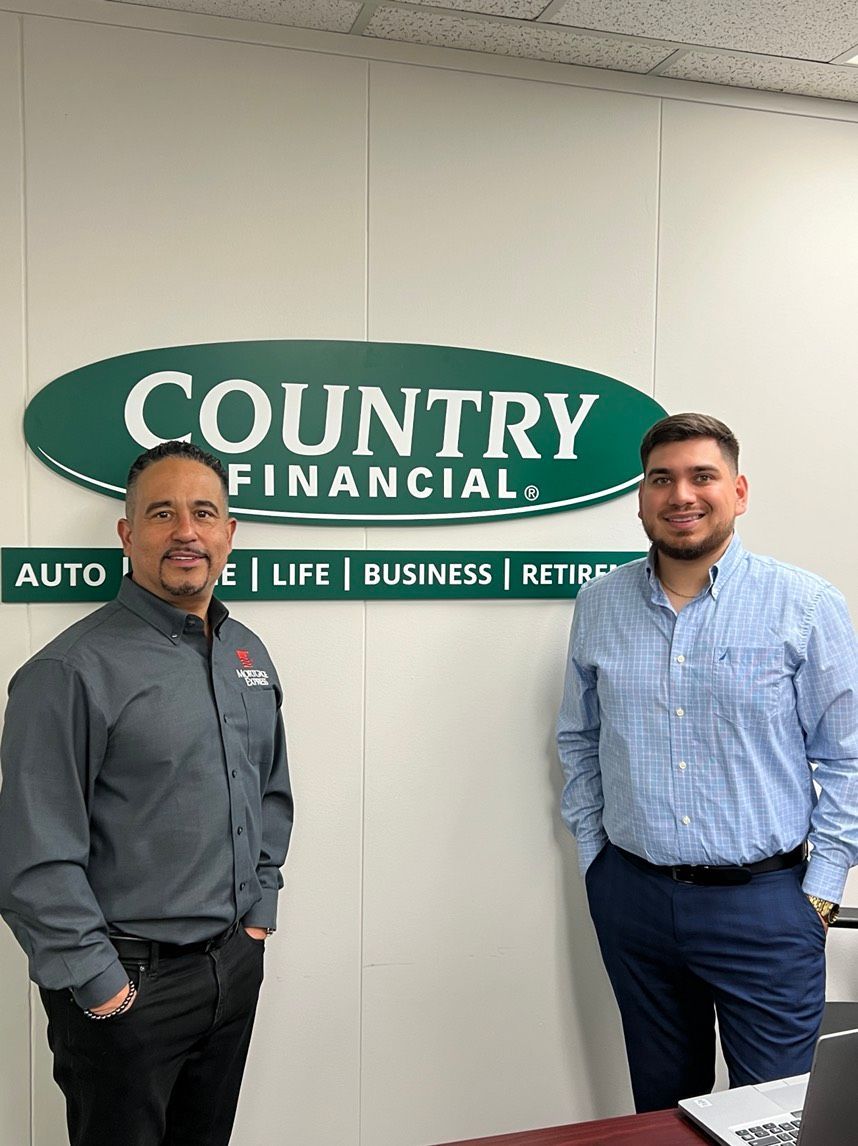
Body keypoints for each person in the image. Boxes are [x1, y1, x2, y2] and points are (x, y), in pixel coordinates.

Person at [556, 412, 857, 1113]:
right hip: (633, 898)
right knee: (662, 1112)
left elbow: (847, 758)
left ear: (739, 492)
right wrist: (598, 860)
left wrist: (819, 892)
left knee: (776, 1115)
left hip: (767, 906)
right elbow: (579, 737)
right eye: (661, 479)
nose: (681, 495)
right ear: (641, 498)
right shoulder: (599, 605)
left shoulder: (805, 605)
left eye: (702, 476)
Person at [0, 440, 293, 1146]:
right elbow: (34, 858)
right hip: (128, 991)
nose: (186, 531)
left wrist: (257, 917)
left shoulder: (246, 653)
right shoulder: (69, 671)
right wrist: (102, 987)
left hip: (232, 969)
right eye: (162, 514)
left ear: (229, 533)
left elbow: (271, 791)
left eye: (204, 513)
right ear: (128, 535)